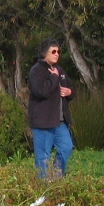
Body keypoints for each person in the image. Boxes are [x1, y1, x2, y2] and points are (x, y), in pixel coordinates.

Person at [27, 38, 74, 178]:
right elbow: (40, 91)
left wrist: (69, 92)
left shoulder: (60, 70)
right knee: (42, 157)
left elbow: (71, 87)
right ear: (44, 53)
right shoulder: (36, 70)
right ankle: (42, 188)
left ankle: (56, 176)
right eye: (53, 51)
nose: (57, 54)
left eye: (58, 51)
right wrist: (53, 79)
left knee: (66, 148)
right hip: (43, 122)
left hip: (59, 122)